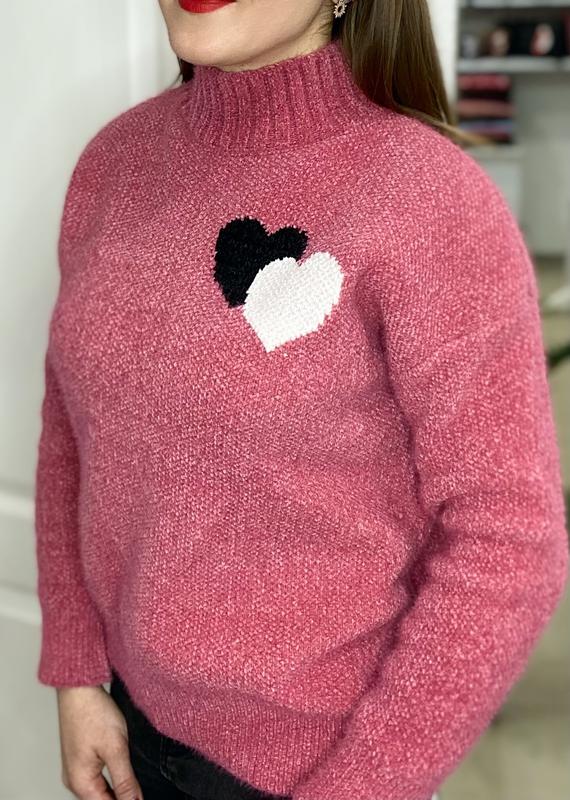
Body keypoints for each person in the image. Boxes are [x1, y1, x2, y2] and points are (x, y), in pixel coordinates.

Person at [34, 1, 569, 799]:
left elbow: (510, 539)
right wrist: (77, 671)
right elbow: (68, 430)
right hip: (130, 722)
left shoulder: (429, 200)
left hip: (315, 769)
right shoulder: (113, 163)